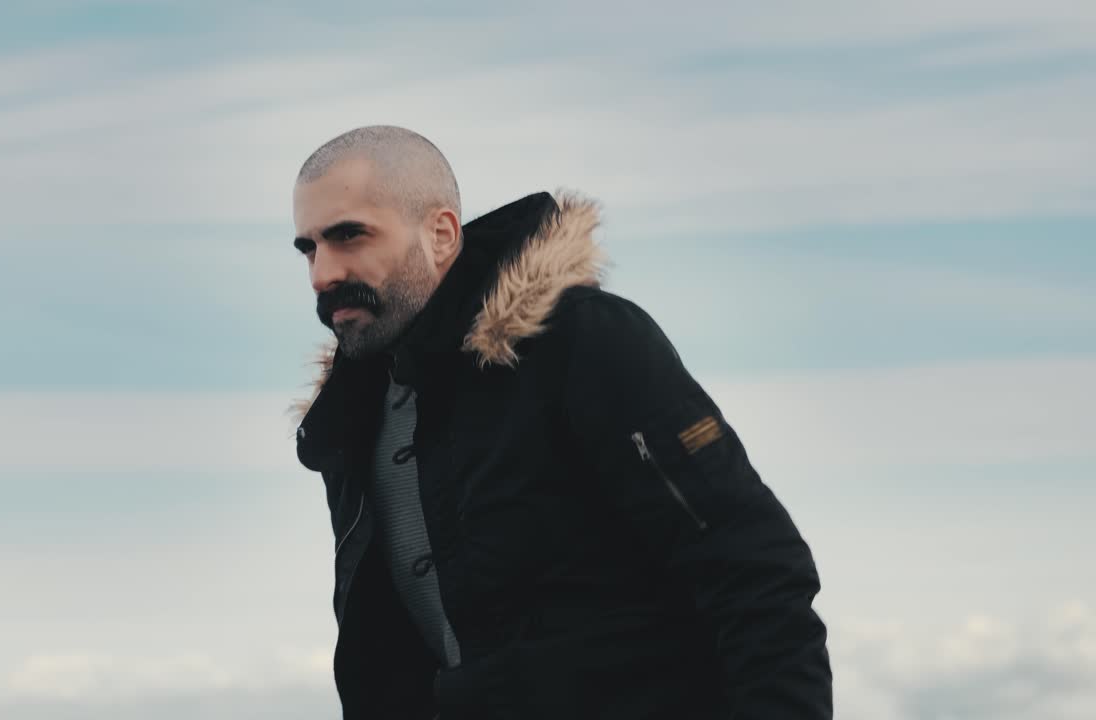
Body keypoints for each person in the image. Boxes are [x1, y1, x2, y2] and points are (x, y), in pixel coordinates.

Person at [290, 125, 831, 719]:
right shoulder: (353, 421)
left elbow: (755, 574)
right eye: (310, 248)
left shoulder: (581, 342)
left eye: (349, 237)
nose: (322, 274)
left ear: (440, 235)